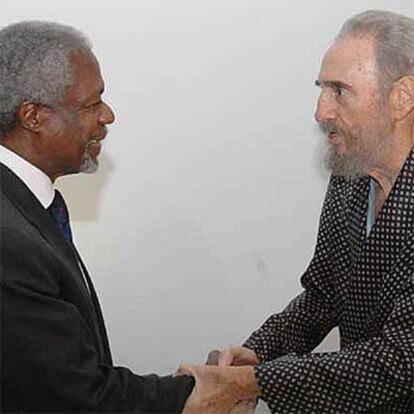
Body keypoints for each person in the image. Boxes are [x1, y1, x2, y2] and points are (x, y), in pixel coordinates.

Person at [177, 9, 414, 414]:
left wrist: (246, 383)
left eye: (340, 90)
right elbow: (324, 295)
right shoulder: (351, 174)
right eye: (321, 89)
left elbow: (397, 361)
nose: (320, 112)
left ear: (401, 98)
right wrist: (258, 352)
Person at [0, 21, 195, 412]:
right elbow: (75, 396)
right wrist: (198, 393)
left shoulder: (28, 205)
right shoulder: (9, 240)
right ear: (34, 116)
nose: (108, 116)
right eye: (92, 104)